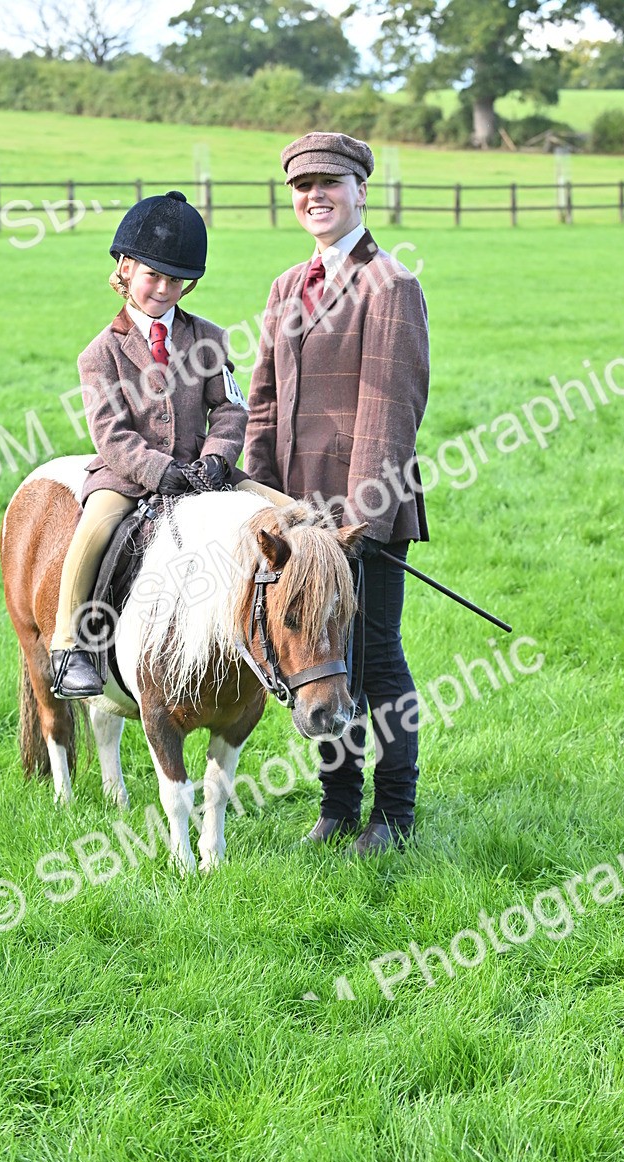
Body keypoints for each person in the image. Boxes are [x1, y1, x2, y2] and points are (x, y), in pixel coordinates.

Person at [244, 132, 430, 857]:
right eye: (302, 186)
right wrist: (255, 497)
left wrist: (361, 522)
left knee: (374, 657)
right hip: (294, 517)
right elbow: (263, 399)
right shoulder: (286, 286)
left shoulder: (390, 284)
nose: (314, 196)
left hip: (362, 517)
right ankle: (336, 806)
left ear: (360, 191)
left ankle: (395, 815)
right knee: (317, 659)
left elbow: (392, 410)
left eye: (330, 182)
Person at [50, 189, 290, 699]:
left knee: (291, 512)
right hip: (128, 477)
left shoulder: (210, 337)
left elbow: (230, 408)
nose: (163, 288)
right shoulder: (100, 354)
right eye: (152, 276)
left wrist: (217, 460)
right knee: (94, 528)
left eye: (176, 280)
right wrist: (160, 473)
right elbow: (110, 435)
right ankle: (67, 645)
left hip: (205, 468)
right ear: (125, 268)